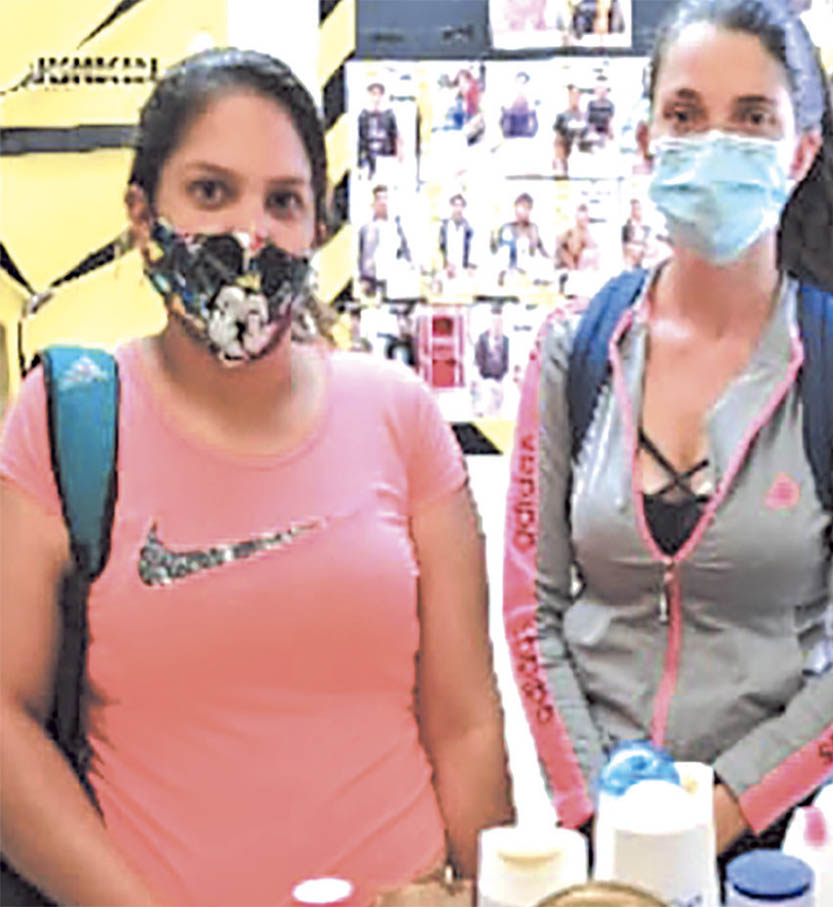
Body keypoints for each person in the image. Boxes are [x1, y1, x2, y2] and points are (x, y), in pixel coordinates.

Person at [0, 48, 513, 907]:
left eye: (283, 201)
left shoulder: (399, 415)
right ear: (142, 214)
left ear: (316, 227)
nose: (250, 232)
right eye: (211, 191)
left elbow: (464, 724)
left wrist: (496, 891)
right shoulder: (67, 420)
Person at [504, 0, 833, 875]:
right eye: (685, 114)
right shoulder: (573, 349)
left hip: (783, 840)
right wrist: (595, 805)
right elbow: (530, 611)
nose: (715, 143)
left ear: (801, 152)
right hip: (599, 827)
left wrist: (726, 807)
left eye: (752, 118)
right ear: (646, 143)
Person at [358, 184, 413, 297]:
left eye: (385, 198)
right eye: (379, 199)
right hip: (373, 282)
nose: (383, 203)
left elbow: (405, 253)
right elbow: (362, 256)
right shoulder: (366, 228)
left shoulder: (396, 227)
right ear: (374, 203)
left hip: (394, 282)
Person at [493, 192, 549, 281]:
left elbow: (542, 253)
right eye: (520, 207)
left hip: (530, 271)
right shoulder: (507, 228)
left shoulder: (533, 228)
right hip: (510, 271)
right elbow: (499, 253)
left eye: (527, 208)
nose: (523, 211)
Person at [357, 81, 402, 181]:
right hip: (370, 157)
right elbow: (361, 139)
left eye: (378, 94)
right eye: (373, 94)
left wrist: (399, 155)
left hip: (386, 157)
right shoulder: (364, 116)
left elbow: (395, 135)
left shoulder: (389, 115)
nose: (375, 98)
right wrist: (359, 162)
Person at [553, 85, 590, 175]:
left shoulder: (584, 115)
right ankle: (560, 170)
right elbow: (557, 129)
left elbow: (587, 130)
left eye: (576, 97)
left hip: (581, 140)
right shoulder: (562, 115)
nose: (574, 99)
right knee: (559, 142)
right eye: (572, 96)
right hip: (566, 139)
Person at [438, 194, 475, 277]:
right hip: (446, 271)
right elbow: (440, 247)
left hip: (463, 271)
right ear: (451, 206)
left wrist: (469, 267)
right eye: (456, 205)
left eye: (461, 206)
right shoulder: (444, 226)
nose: (458, 208)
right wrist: (445, 264)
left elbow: (471, 249)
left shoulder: (468, 228)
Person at [556, 204, 598, 272]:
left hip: (579, 267)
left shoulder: (586, 233)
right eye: (582, 219)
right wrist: (570, 264)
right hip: (570, 267)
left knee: (591, 253)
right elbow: (559, 241)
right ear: (576, 218)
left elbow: (593, 248)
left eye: (585, 219)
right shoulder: (571, 232)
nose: (584, 221)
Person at [585, 74, 615, 147]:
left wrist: (609, 135)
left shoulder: (610, 105)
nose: (601, 91)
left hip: (605, 136)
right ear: (595, 90)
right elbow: (589, 122)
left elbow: (609, 123)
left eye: (604, 88)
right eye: (599, 88)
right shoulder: (591, 104)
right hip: (592, 136)